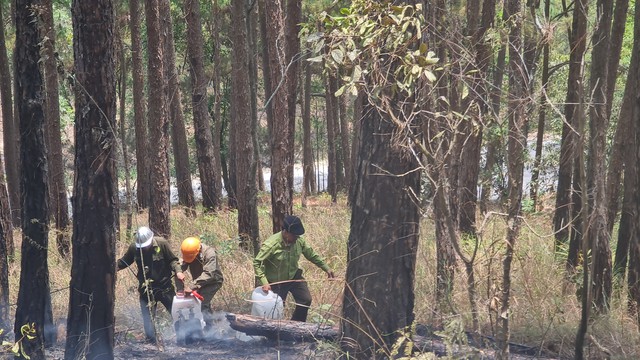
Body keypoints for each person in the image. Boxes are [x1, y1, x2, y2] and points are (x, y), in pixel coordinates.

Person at [253, 215, 335, 322]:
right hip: (276, 282)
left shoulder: (299, 241)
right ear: (286, 232)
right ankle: (277, 332)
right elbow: (257, 262)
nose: (296, 238)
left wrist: (326, 268)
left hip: (294, 277)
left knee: (305, 300)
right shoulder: (272, 244)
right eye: (294, 236)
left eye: (298, 236)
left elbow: (311, 255)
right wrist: (264, 282)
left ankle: (297, 326)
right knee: (276, 308)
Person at [117, 226, 185, 342]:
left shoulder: (161, 243)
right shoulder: (134, 247)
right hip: (146, 289)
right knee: (148, 318)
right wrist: (112, 267)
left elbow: (173, 260)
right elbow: (125, 261)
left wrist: (178, 272)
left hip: (165, 287)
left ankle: (183, 337)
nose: (144, 248)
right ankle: (151, 342)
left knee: (176, 313)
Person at [179, 237, 224, 332]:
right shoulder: (188, 252)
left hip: (213, 282)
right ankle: (195, 329)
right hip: (199, 282)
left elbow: (209, 273)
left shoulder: (209, 253)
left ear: (198, 251)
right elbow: (182, 265)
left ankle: (210, 331)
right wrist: (179, 272)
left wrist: (192, 286)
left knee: (202, 304)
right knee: (194, 303)